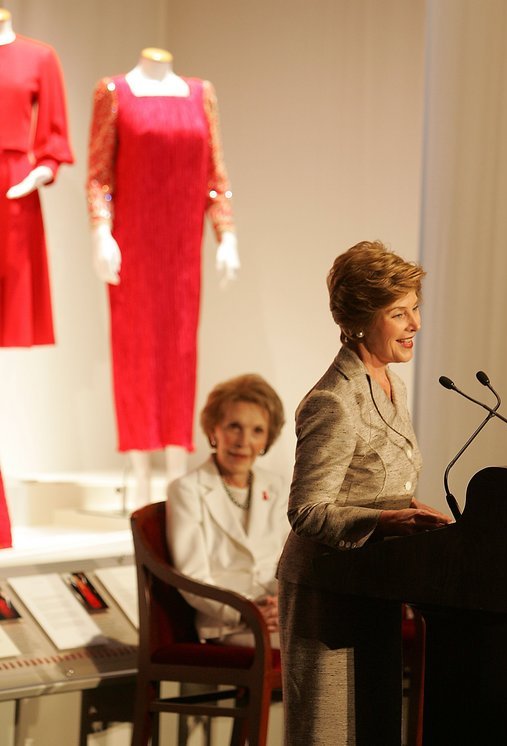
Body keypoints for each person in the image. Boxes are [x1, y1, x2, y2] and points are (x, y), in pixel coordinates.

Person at [277, 240, 452, 745]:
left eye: (415, 307)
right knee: (329, 734)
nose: (415, 324)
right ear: (359, 319)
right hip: (326, 593)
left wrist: (411, 512)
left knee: (374, 730)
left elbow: (380, 486)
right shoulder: (334, 399)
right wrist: (388, 522)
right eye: (399, 313)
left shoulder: (389, 385)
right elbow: (307, 510)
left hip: (376, 584)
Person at [86, 47, 239, 504]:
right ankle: (138, 470)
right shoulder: (114, 93)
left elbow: (215, 175)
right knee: (134, 350)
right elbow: (99, 174)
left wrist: (225, 233)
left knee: (179, 350)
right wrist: (101, 231)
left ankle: (175, 469)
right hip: (133, 244)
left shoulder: (200, 95)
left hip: (182, 251)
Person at [166, 374, 289, 647]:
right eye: (234, 426)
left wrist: (283, 606)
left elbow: (289, 560)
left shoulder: (277, 486)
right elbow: (192, 575)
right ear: (214, 430)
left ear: (267, 438)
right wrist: (248, 613)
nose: (243, 441)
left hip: (278, 618)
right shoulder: (186, 490)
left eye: (257, 430)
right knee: (314, 654)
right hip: (227, 624)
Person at [0, 8, 74, 347]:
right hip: (16, 180)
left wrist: (38, 174)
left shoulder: (39, 58)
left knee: (11, 295)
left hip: (13, 184)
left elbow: (53, 135)